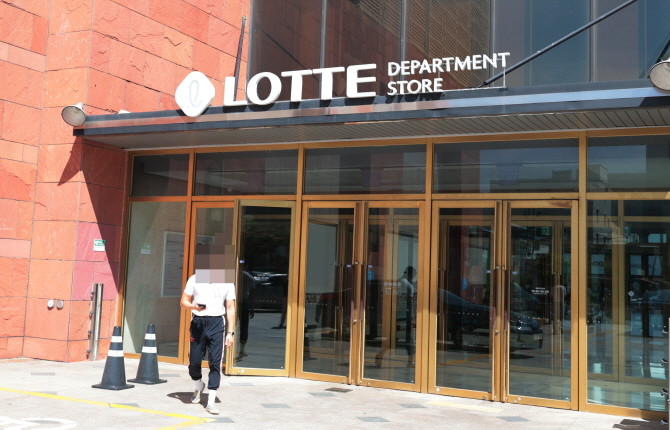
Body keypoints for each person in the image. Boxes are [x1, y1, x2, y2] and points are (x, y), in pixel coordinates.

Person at [180, 271, 236, 415]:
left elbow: (230, 308)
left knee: (215, 362)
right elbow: (183, 301)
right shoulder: (195, 278)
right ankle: (199, 385)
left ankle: (211, 402)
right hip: (198, 322)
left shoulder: (227, 281)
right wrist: (194, 307)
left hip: (217, 323)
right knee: (194, 361)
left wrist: (230, 333)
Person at [375, 266, 417, 368]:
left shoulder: (397, 282)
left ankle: (381, 354)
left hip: (395, 315)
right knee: (410, 340)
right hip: (405, 316)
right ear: (410, 274)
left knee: (392, 339)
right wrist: (413, 317)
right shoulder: (409, 286)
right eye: (414, 275)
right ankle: (410, 361)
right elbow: (410, 303)